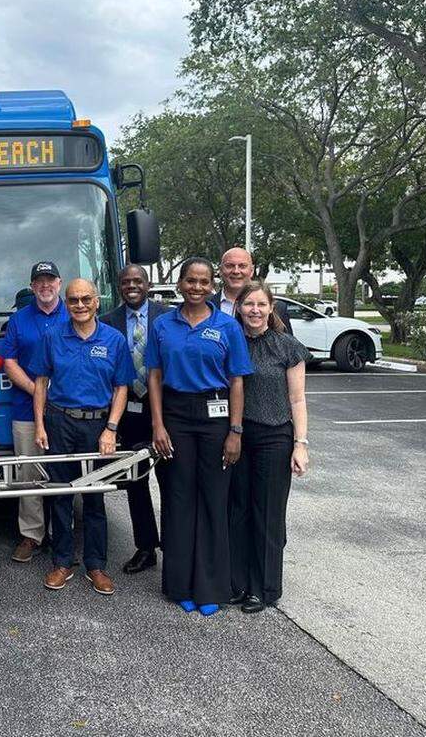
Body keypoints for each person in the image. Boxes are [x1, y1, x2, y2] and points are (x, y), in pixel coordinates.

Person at [145, 257, 254, 617]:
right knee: (178, 499)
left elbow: (237, 380)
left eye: (204, 282)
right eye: (190, 280)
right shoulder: (162, 325)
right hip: (175, 416)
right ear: (179, 284)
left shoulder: (227, 327)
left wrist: (235, 431)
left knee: (213, 499)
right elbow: (155, 377)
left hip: (215, 418)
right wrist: (158, 426)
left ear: (212, 286)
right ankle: (179, 584)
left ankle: (210, 586)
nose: (196, 287)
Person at [30, 278, 135, 596]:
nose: (79, 305)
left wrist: (111, 429)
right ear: (67, 301)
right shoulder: (53, 336)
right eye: (73, 300)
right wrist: (39, 425)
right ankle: (62, 562)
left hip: (96, 427)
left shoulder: (114, 340)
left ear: (96, 302)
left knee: (94, 497)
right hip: (60, 422)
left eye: (85, 299)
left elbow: (121, 388)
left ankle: (96, 566)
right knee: (60, 495)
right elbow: (40, 381)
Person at [229, 281, 310, 613]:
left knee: (267, 514)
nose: (255, 310)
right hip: (237, 437)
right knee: (238, 511)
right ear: (239, 308)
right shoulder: (230, 342)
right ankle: (237, 583)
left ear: (271, 307)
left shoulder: (287, 347)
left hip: (275, 437)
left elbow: (298, 399)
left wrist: (300, 445)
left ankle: (264, 588)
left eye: (261, 304)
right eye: (249, 304)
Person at [100, 264, 170, 574]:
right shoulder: (107, 322)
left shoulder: (169, 317)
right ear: (119, 285)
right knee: (135, 483)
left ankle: (174, 544)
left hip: (166, 413)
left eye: (137, 281)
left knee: (172, 482)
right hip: (127, 412)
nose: (132, 286)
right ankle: (145, 547)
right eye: (126, 281)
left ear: (148, 283)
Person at [0, 261, 69, 562]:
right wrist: (37, 391)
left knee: (65, 474)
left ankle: (63, 536)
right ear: (32, 286)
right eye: (39, 281)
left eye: (50, 280)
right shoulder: (19, 320)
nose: (45, 285)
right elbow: (9, 362)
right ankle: (31, 534)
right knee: (28, 472)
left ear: (60, 283)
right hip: (26, 408)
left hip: (68, 410)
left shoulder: (76, 314)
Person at [212, 247, 292, 334]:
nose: (236, 271)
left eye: (242, 266)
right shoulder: (205, 305)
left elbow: (288, 346)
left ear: (252, 270)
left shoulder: (279, 309)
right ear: (220, 270)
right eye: (229, 266)